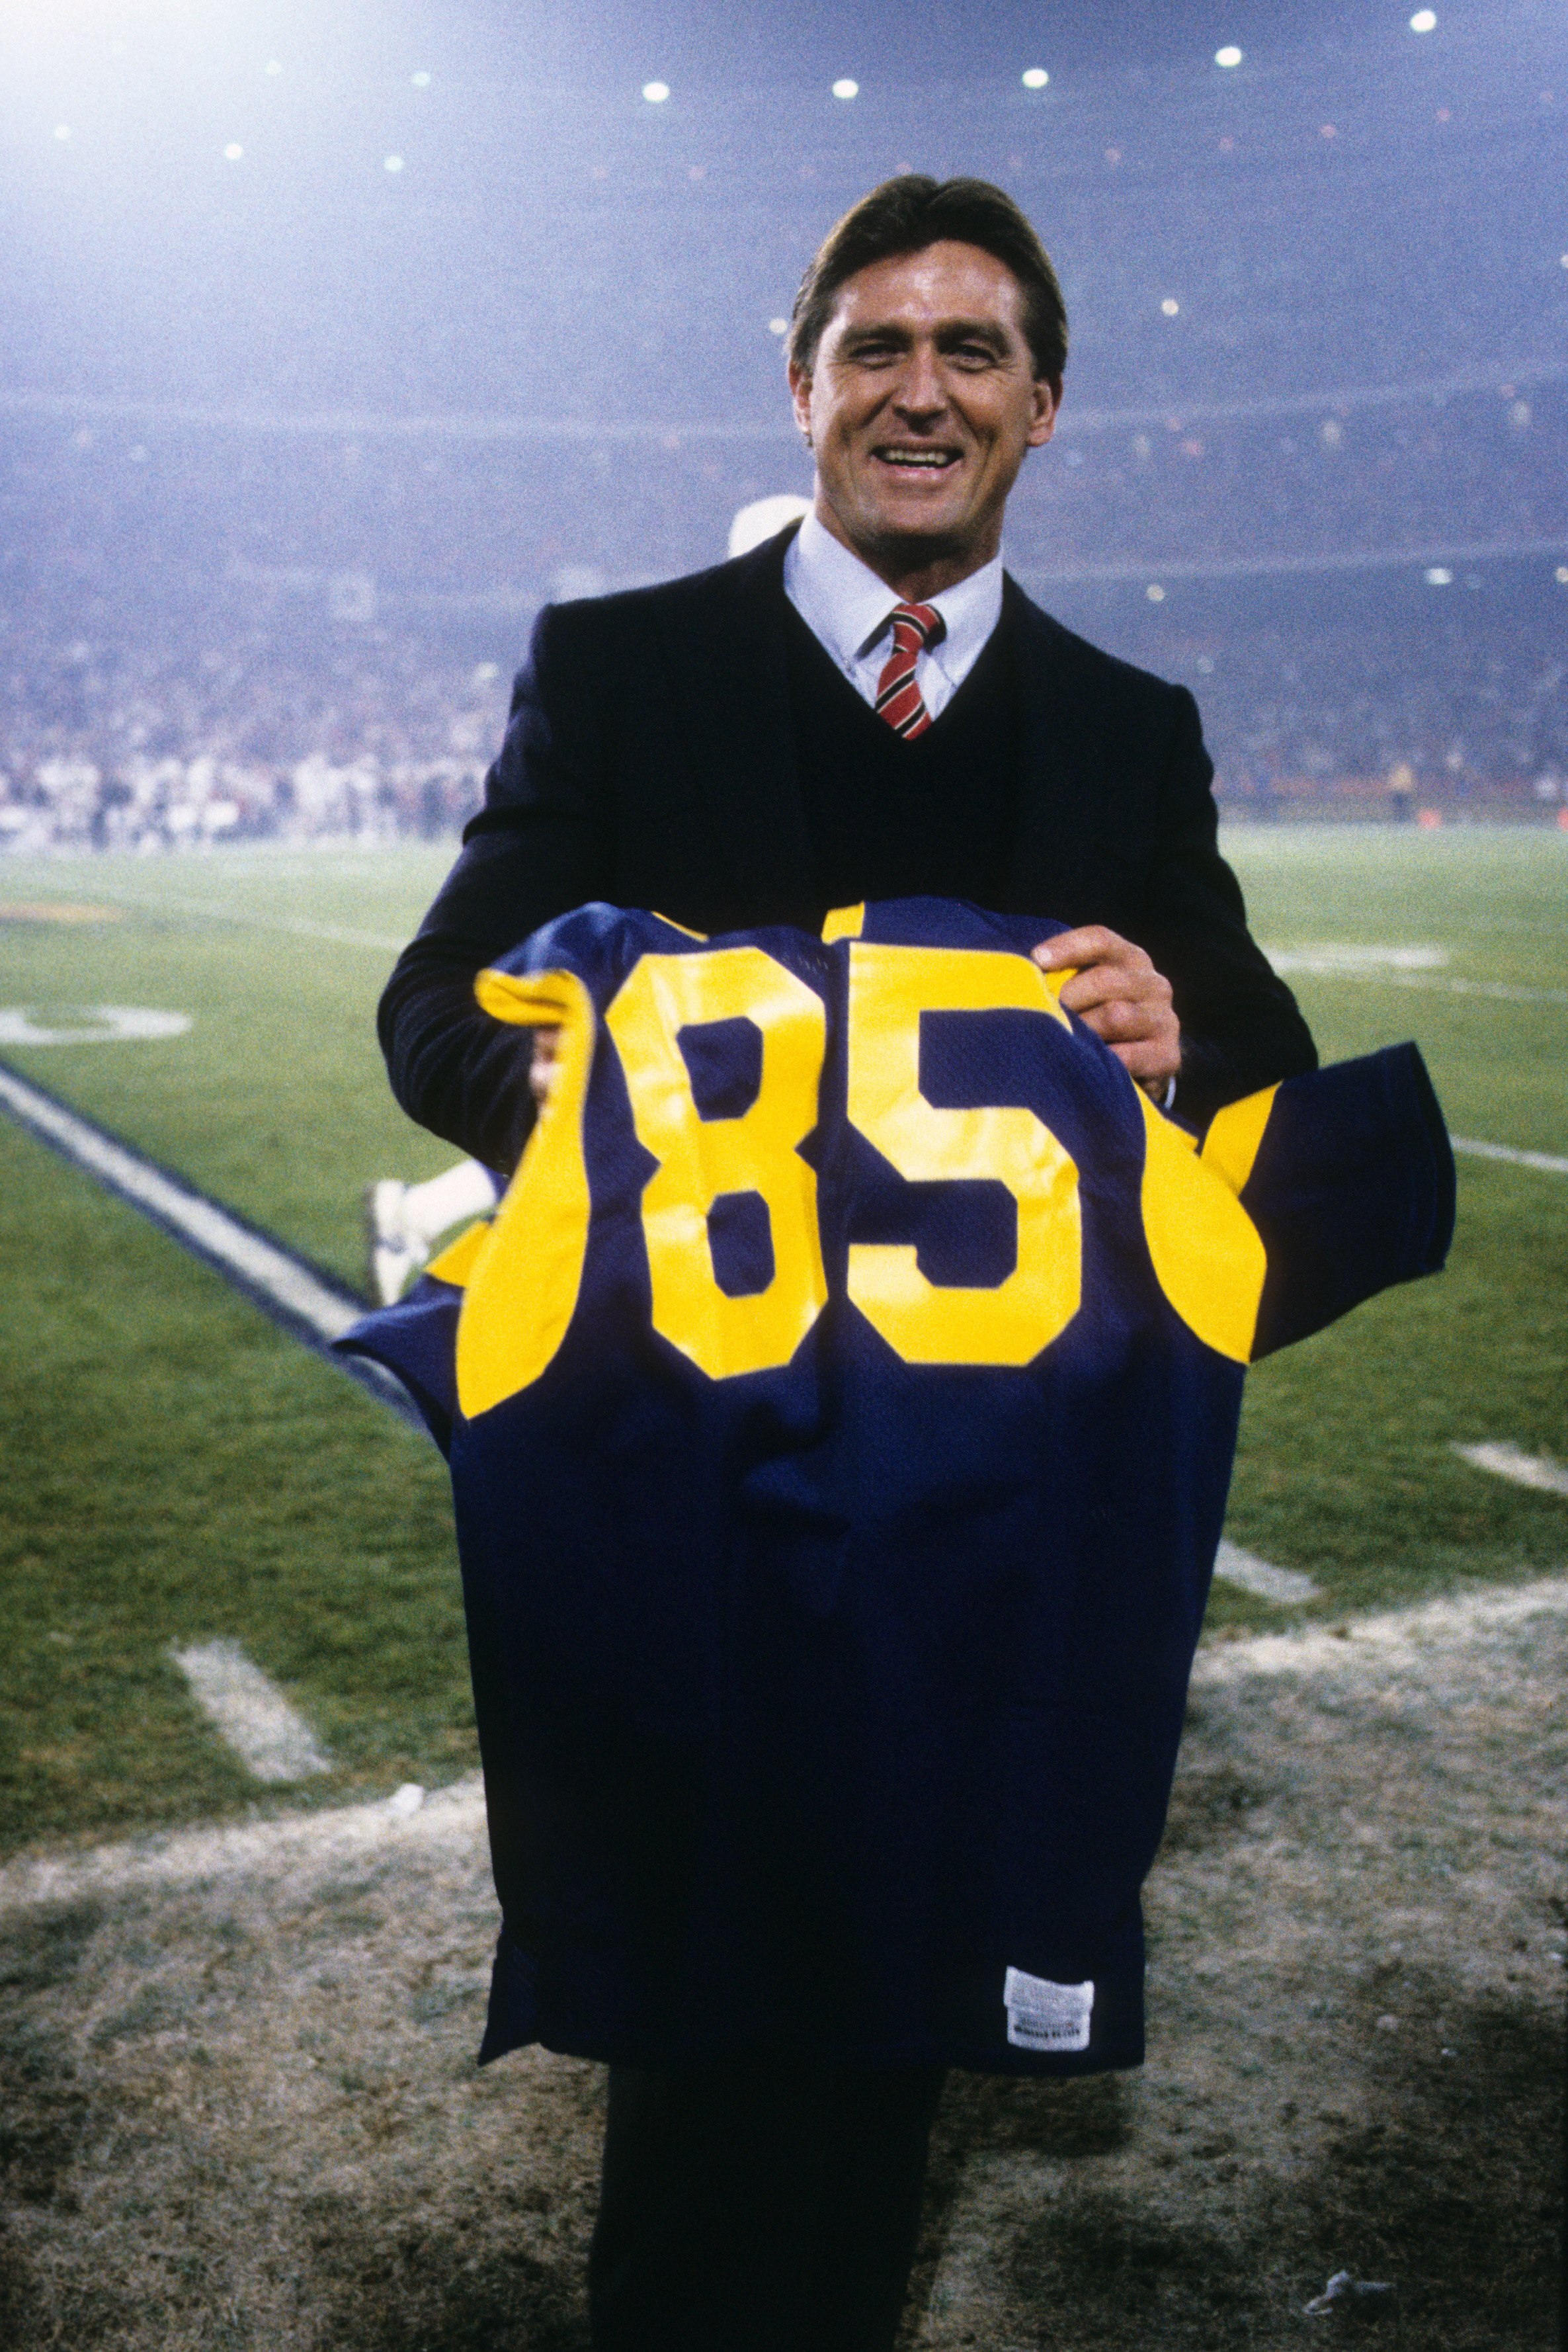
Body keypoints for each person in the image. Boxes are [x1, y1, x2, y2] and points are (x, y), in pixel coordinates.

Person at [378, 175, 1316, 2352]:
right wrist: (603, 1094)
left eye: (969, 352)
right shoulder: (623, 664)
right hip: (691, 1481)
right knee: (705, 2054)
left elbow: (1244, 1046)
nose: (922, 391)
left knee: (896, 2023)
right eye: (875, 349)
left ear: (1042, 408)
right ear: (798, 390)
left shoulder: (1118, 719)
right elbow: (438, 1011)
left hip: (997, 1506)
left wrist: (1181, 1045)